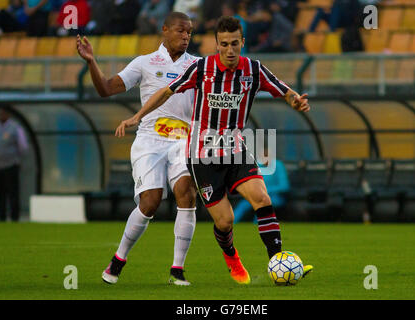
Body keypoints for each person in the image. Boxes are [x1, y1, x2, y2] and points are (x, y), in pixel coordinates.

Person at [115, 16, 313, 284]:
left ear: (242, 42)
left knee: (262, 199)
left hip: (235, 150)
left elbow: (283, 91)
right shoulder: (202, 68)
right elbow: (167, 91)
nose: (229, 50)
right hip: (203, 157)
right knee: (225, 222)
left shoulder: (253, 70)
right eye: (223, 44)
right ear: (216, 44)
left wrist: (296, 101)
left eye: (234, 43)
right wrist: (137, 116)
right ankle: (231, 256)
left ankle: (277, 261)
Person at [76, 12, 198, 286]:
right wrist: (91, 62)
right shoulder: (145, 63)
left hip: (184, 141)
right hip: (150, 141)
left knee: (186, 195)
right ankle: (119, 259)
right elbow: (106, 89)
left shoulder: (198, 65)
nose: (186, 36)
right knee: (150, 202)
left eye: (189, 32)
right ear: (164, 30)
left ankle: (177, 270)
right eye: (180, 31)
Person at [0, 107, 29, 222]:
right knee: (0, 193)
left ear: (8, 115)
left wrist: (16, 158)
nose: (1, 116)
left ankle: (15, 217)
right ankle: (1, 217)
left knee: (12, 192)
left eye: (3, 113)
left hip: (11, 165)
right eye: (0, 114)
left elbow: (23, 146)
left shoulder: (15, 128)